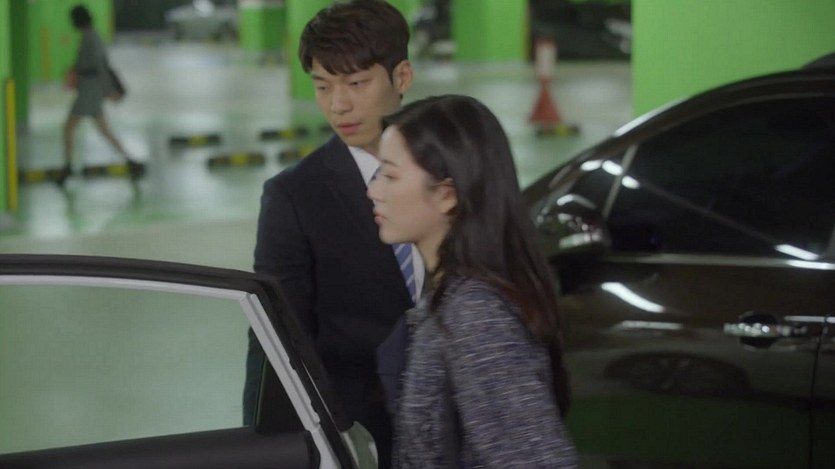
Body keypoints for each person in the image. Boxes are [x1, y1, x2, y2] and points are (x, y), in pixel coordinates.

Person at [249, 2, 420, 467]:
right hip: (362, 433)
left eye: (357, 83)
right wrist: (266, 448)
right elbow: (276, 336)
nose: (337, 105)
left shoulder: (449, 166)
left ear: (402, 77)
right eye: (322, 86)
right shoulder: (294, 196)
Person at [368, 94, 578, 468]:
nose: (374, 191)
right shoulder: (448, 295)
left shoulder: (476, 314)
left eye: (391, 175)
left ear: (447, 195)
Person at [61, 5, 138, 185]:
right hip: (90, 90)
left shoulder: (91, 38)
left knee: (69, 127)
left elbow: (100, 67)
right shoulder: (90, 36)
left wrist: (109, 91)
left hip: (90, 92)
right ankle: (130, 161)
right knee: (104, 130)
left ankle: (68, 166)